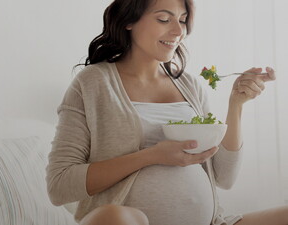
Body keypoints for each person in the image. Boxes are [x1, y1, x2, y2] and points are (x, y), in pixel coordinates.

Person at [46, 0, 288, 224]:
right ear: (129, 20)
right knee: (115, 217)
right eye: (164, 19)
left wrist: (236, 104)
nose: (178, 31)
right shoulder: (93, 83)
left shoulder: (189, 85)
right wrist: (151, 156)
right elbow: (60, 185)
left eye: (182, 20)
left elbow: (224, 177)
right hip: (121, 220)